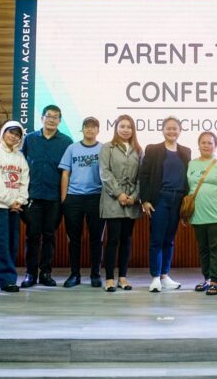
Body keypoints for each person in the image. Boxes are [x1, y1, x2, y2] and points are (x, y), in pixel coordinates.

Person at [21, 105, 73, 288]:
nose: (52, 119)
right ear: (42, 118)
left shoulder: (66, 142)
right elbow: (21, 165)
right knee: (32, 236)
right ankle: (30, 273)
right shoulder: (30, 139)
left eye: (55, 117)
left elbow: (69, 172)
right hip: (33, 196)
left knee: (49, 236)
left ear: (60, 120)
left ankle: (45, 273)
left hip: (54, 198)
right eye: (49, 116)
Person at [139, 116, 191, 293]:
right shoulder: (153, 149)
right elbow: (144, 175)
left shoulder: (186, 151)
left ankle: (164, 275)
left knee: (169, 240)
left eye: (175, 128)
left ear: (180, 131)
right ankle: (155, 277)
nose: (171, 131)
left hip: (178, 200)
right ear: (163, 130)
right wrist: (145, 200)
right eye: (168, 128)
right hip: (160, 198)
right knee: (157, 239)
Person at [60, 116, 105, 288]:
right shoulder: (72, 148)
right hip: (74, 198)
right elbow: (65, 173)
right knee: (74, 239)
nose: (90, 129)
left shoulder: (103, 149)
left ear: (98, 130)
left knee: (96, 239)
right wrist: (64, 199)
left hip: (96, 197)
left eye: (93, 126)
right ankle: (74, 274)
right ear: (82, 129)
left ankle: (95, 274)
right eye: (87, 126)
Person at [98, 114, 142, 292]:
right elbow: (104, 172)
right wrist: (119, 194)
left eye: (129, 127)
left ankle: (123, 277)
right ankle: (109, 278)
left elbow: (141, 177)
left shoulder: (138, 150)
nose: (125, 130)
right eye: (122, 126)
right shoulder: (107, 147)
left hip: (131, 201)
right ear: (116, 128)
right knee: (113, 239)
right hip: (112, 199)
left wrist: (134, 196)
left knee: (126, 240)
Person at [188, 131, 217, 296]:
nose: (206, 145)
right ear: (198, 145)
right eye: (203, 142)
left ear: (215, 146)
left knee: (215, 248)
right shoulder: (192, 164)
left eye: (210, 143)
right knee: (203, 248)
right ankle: (206, 279)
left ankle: (214, 281)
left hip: (216, 214)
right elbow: (190, 188)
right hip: (197, 214)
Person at [0, 120, 30, 293]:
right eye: (11, 132)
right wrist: (9, 201)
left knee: (12, 244)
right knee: (1, 243)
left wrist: (20, 200)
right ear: (3, 133)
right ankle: (7, 280)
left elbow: (25, 179)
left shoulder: (20, 157)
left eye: (17, 135)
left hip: (15, 207)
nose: (14, 137)